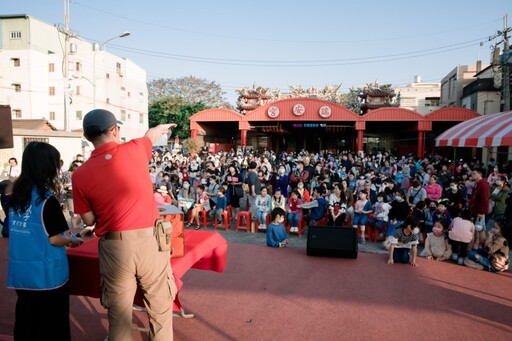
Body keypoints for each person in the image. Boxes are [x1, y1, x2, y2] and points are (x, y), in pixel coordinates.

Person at [72, 109, 177, 340]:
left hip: (114, 247)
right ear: (114, 130)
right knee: (160, 309)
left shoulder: (79, 174)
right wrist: (163, 128)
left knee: (118, 316)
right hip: (150, 242)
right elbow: (152, 134)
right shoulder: (136, 149)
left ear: (87, 137)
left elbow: (88, 220)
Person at [8, 142, 83, 340]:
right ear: (47, 166)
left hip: (21, 272)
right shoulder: (46, 200)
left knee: (26, 319)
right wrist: (77, 237)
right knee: (51, 324)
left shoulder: (16, 197)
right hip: (47, 275)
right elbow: (56, 238)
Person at [468, 169, 490, 249]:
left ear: (480, 174)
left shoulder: (483, 184)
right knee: (477, 229)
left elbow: (485, 199)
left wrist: (482, 212)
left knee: (479, 229)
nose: (472, 175)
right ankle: (476, 245)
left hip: (479, 210)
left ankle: (481, 246)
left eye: (474, 173)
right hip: (475, 209)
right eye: (472, 173)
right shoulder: (477, 184)